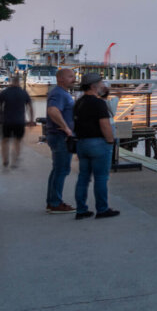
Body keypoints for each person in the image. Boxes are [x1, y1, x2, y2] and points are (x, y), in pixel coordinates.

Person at [73, 73, 119, 220]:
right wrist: (110, 141)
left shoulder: (78, 103)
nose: (102, 85)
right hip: (98, 143)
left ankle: (81, 210)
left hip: (82, 143)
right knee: (101, 178)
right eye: (100, 83)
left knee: (83, 178)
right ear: (93, 86)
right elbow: (104, 124)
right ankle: (102, 209)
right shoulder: (98, 103)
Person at [44, 67, 76, 214]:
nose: (74, 79)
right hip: (60, 137)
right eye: (70, 77)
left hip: (58, 136)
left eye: (73, 76)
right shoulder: (58, 93)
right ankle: (55, 203)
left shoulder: (61, 93)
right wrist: (66, 128)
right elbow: (52, 110)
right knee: (62, 169)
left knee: (57, 169)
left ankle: (52, 201)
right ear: (60, 79)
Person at [1, 74, 35, 168]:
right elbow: (30, 107)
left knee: (5, 140)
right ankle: (15, 160)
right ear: (19, 82)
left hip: (7, 121)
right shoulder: (23, 93)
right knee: (17, 141)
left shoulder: (5, 92)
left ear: (11, 82)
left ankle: (5, 160)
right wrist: (31, 120)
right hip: (20, 121)